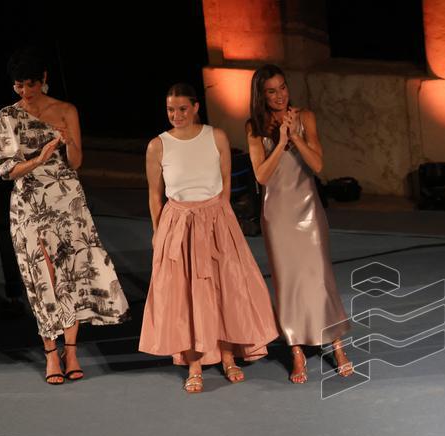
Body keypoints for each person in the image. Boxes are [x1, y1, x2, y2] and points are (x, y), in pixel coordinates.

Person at [0, 48, 129, 384]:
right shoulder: (7, 116)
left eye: (31, 84)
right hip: (28, 203)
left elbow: (77, 161)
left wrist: (68, 143)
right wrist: (40, 159)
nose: (25, 92)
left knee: (71, 274)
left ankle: (71, 351)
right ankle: (50, 354)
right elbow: (7, 170)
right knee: (41, 277)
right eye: (19, 86)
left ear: (44, 80)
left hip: (67, 199)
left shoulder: (67, 110)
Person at [140, 83, 278, 393]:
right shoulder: (157, 145)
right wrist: (157, 232)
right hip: (179, 223)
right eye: (171, 110)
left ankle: (229, 357)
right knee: (187, 294)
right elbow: (154, 195)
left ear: (196, 107)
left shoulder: (215, 136)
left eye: (182, 109)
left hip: (216, 218)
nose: (176, 115)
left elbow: (226, 182)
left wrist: (222, 220)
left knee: (224, 288)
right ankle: (195, 363)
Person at [245, 64, 352, 384]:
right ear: (261, 96)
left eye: (283, 88)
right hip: (277, 214)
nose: (280, 96)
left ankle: (337, 345)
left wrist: (295, 137)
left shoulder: (305, 117)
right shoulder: (255, 126)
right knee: (287, 282)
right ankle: (296, 351)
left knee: (319, 276)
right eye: (272, 91)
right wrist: (279, 141)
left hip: (308, 210)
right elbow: (261, 176)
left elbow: (318, 165)